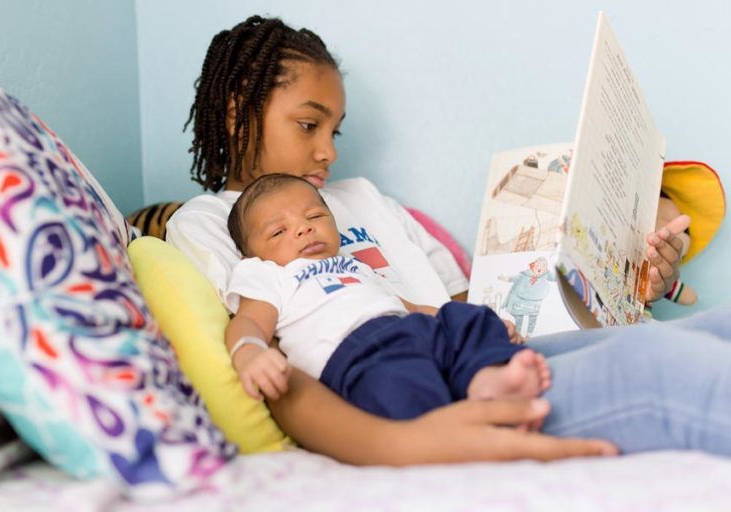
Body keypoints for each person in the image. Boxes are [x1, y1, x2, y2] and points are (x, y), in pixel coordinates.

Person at [167, 15, 731, 465]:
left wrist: (613, 275)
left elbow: (464, 304)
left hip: (481, 356)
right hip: (417, 392)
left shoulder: (367, 198)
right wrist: (406, 446)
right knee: (669, 369)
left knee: (714, 329)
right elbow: (267, 360)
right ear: (239, 110)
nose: (329, 153)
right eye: (309, 125)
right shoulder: (206, 221)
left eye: (334, 131)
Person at [223, 173, 550, 421]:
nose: (303, 229)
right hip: (357, 354)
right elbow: (249, 320)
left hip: (405, 328)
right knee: (398, 386)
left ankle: (486, 381)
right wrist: (248, 352)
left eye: (314, 217)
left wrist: (475, 327)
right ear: (253, 255)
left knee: (465, 317)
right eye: (278, 231)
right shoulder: (270, 275)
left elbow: (406, 306)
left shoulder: (353, 265)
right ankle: (457, 421)